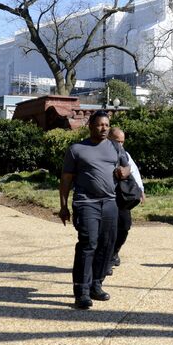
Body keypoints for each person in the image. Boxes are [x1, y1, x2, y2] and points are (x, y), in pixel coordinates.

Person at [59, 110, 130, 309]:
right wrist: (63, 206)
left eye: (107, 125)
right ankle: (81, 291)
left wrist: (124, 172)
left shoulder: (115, 147)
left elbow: (127, 167)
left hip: (110, 203)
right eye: (100, 125)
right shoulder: (77, 149)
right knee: (88, 243)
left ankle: (96, 285)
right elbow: (66, 180)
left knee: (107, 244)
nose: (104, 128)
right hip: (85, 202)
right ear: (90, 126)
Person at [106, 127, 145, 275]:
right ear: (109, 138)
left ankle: (114, 252)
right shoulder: (102, 152)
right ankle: (106, 260)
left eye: (122, 142)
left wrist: (140, 190)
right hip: (106, 195)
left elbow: (134, 170)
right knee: (108, 229)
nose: (120, 145)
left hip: (122, 196)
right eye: (117, 141)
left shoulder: (125, 154)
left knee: (124, 226)